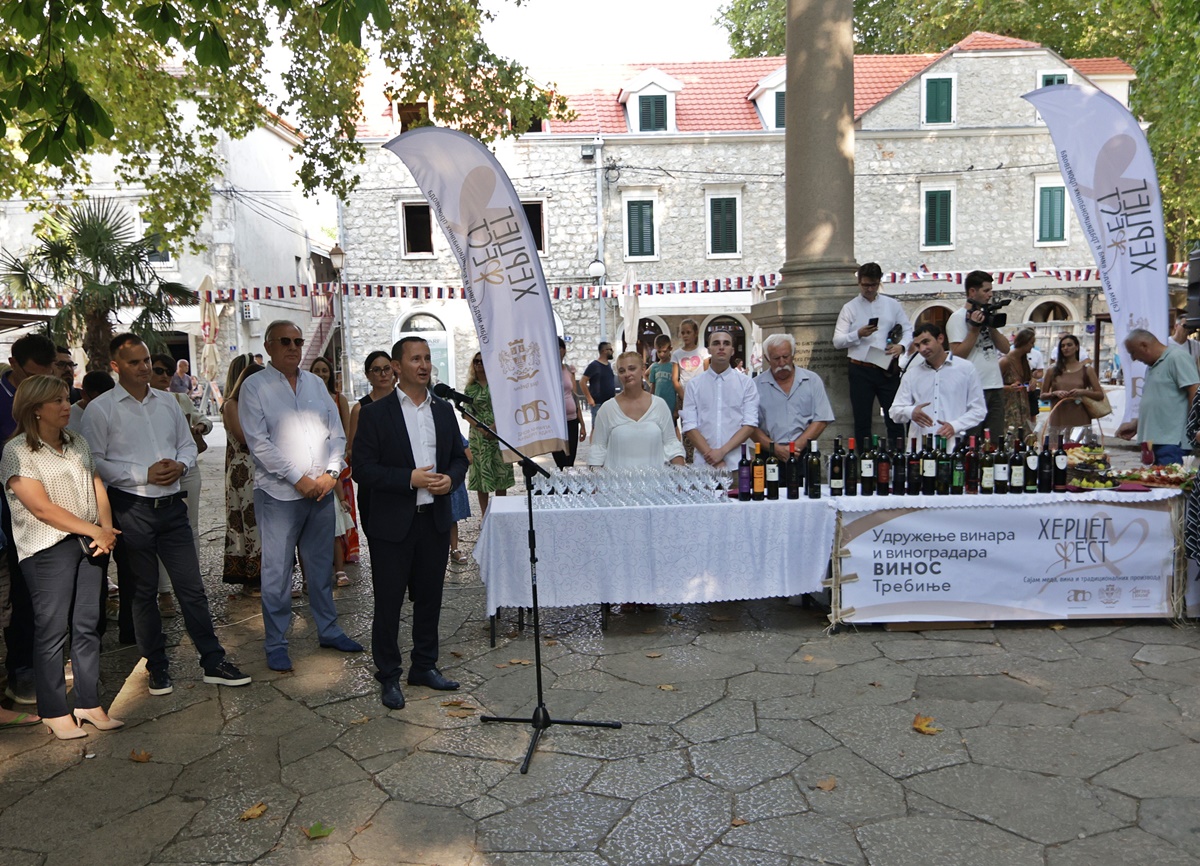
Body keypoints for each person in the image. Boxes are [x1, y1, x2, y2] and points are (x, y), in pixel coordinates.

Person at [82, 333, 250, 695]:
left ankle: (212, 660)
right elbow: (94, 461)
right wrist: (141, 474)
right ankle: (157, 667)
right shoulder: (101, 409)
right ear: (115, 367)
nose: (143, 367)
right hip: (132, 509)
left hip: (172, 506)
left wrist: (180, 464)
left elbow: (188, 445)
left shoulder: (170, 402)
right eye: (134, 362)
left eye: (145, 360)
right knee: (142, 593)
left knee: (192, 589)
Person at [238, 321, 363, 671]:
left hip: (320, 492)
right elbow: (257, 442)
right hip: (279, 495)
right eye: (285, 341)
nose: (293, 347)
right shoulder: (254, 386)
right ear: (269, 346)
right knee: (277, 574)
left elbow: (336, 433)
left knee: (321, 567)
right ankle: (276, 642)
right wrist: (298, 479)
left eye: (298, 341)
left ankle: (329, 629)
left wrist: (331, 473)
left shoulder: (315, 383)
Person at [352, 336, 470, 710]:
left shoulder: (443, 411)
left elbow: (458, 458)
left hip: (432, 521)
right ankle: (388, 674)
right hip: (392, 524)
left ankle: (424, 665)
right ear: (398, 367)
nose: (424, 365)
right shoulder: (375, 414)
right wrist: (409, 479)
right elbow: (363, 470)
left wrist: (452, 479)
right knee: (388, 603)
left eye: (428, 358)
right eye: (415, 359)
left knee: (430, 599)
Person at [1, 375, 120, 738]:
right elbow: (41, 509)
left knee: (88, 625)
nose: (67, 405)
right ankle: (53, 709)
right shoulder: (17, 451)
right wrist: (94, 530)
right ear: (35, 409)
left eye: (67, 398)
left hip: (91, 543)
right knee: (52, 630)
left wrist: (107, 529)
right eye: (57, 401)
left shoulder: (77, 442)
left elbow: (96, 483)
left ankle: (88, 702)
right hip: (46, 549)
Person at [0, 332, 57, 706]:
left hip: (53, 508)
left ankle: (44, 664)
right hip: (11, 513)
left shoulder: (54, 394)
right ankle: (20, 673)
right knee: (19, 595)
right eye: (33, 374)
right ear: (14, 365)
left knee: (47, 593)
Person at [151, 352, 210, 618]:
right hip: (159, 474)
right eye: (158, 371)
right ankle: (164, 592)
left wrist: (200, 427)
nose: (164, 376)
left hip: (187, 469)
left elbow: (203, 420)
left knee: (191, 529)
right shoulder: (136, 405)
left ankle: (192, 587)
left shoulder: (179, 398)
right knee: (159, 534)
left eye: (167, 371)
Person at [833, 262, 912, 447]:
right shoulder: (850, 308)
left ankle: (897, 456)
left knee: (895, 416)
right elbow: (837, 341)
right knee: (862, 420)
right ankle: (865, 462)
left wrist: (901, 346)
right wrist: (858, 334)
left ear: (879, 282)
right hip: (860, 368)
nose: (869, 289)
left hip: (887, 367)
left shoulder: (892, 305)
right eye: (865, 285)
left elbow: (908, 329)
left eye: (873, 285)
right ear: (859, 283)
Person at [1116, 328, 1200, 466]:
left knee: (1169, 484)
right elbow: (1160, 401)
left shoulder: (1177, 357)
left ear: (1144, 345)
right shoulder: (1152, 366)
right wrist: (1136, 424)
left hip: (1172, 442)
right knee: (1156, 484)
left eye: (1133, 353)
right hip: (1154, 441)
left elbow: (1194, 390)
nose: (1134, 358)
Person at [588, 352, 686, 469]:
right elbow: (598, 450)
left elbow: (672, 444)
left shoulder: (659, 405)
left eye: (632, 368)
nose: (627, 374)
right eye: (622, 371)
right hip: (617, 484)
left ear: (643, 369)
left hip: (656, 483)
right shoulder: (607, 409)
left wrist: (681, 477)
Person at [890, 324, 987, 441]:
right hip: (920, 446)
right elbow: (894, 411)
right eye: (918, 345)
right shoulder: (911, 374)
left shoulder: (966, 369)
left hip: (953, 445)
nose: (922, 349)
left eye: (926, 342)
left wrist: (955, 426)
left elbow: (979, 410)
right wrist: (911, 412)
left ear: (940, 338)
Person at [945, 270, 1010, 441]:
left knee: (995, 440)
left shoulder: (987, 316)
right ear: (972, 292)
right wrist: (974, 330)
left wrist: (990, 325)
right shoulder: (957, 318)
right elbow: (957, 356)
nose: (990, 295)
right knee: (972, 440)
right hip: (973, 388)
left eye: (991, 290)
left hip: (995, 385)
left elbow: (1006, 348)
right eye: (986, 290)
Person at [680, 330, 759, 470]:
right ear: (709, 349)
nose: (721, 347)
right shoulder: (694, 385)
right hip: (704, 466)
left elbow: (750, 424)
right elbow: (690, 426)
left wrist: (722, 452)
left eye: (726, 343)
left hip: (737, 465)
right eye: (716, 343)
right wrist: (711, 456)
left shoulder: (746, 384)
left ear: (732, 350)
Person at [311, 356, 359, 577]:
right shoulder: (305, 396)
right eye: (317, 371)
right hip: (314, 459)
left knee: (343, 506)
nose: (321, 374)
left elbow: (347, 429)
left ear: (330, 374)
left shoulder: (339, 398)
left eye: (324, 371)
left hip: (336, 458)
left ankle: (346, 553)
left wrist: (345, 454)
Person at [752, 333, 834, 459]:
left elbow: (821, 419)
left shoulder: (812, 380)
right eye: (776, 358)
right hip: (769, 454)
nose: (782, 362)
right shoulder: (755, 386)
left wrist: (795, 448)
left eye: (786, 356)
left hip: (804, 453)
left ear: (793, 354)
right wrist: (777, 449)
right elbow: (750, 425)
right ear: (767, 359)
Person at [221, 362, 264, 594]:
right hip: (244, 470)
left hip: (263, 468)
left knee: (264, 523)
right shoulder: (231, 404)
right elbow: (244, 436)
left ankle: (268, 575)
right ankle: (251, 577)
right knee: (248, 522)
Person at [463, 351, 513, 515]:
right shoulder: (471, 387)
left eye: (482, 361)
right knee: (482, 474)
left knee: (500, 472)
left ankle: (500, 513)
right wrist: (481, 428)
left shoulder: (498, 384)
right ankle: (484, 515)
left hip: (499, 431)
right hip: (479, 436)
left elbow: (507, 406)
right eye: (476, 362)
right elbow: (465, 411)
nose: (478, 364)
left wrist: (495, 426)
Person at [1042, 333, 1104, 437]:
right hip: (1058, 416)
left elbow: (1099, 395)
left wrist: (1082, 391)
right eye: (1062, 346)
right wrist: (1054, 393)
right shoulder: (1052, 370)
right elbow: (1042, 396)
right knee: (1057, 449)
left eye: (1069, 345)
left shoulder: (1087, 370)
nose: (1065, 348)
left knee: (1078, 450)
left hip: (1080, 415)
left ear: (1077, 347)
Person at [551, 338, 587, 469]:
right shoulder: (547, 371)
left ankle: (568, 488)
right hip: (555, 422)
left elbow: (575, 397)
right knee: (560, 459)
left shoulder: (568, 370)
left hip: (572, 420)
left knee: (570, 459)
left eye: (559, 348)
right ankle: (562, 487)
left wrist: (582, 424)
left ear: (564, 350)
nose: (557, 351)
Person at [998, 328, 1036, 437]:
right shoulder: (1005, 361)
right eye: (1031, 343)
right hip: (1008, 410)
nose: (1032, 346)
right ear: (1023, 342)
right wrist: (1009, 388)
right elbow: (992, 385)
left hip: (1023, 409)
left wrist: (1032, 381)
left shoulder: (1024, 360)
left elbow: (1029, 379)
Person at [648, 334, 683, 429]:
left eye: (664, 351)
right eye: (659, 352)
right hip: (658, 404)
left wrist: (676, 408)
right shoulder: (655, 367)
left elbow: (677, 387)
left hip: (671, 404)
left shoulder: (674, 366)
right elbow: (653, 386)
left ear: (670, 349)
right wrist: (650, 402)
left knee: (672, 429)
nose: (661, 355)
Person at [580, 341, 616, 424]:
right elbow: (582, 382)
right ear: (604, 351)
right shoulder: (594, 365)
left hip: (609, 403)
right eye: (610, 349)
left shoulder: (609, 365)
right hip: (598, 403)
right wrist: (589, 398)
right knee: (597, 428)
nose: (612, 351)